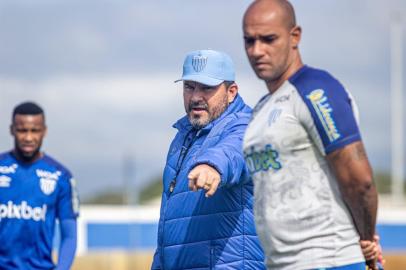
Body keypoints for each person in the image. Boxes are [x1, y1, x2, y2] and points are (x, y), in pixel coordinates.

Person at [242, 1, 382, 269]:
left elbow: (359, 181)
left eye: (268, 39)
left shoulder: (316, 89)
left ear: (295, 36)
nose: (257, 50)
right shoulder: (262, 107)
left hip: (328, 260)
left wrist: (366, 242)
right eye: (249, 41)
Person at [151, 49, 265, 269]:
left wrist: (212, 166)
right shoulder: (182, 137)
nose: (195, 97)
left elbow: (235, 150)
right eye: (189, 87)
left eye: (207, 88)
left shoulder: (247, 125)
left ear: (231, 92)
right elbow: (168, 231)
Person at [0, 102, 80, 269]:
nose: (28, 137)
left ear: (44, 131)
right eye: (22, 130)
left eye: (34, 130)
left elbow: (69, 237)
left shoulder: (61, 177)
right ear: (12, 130)